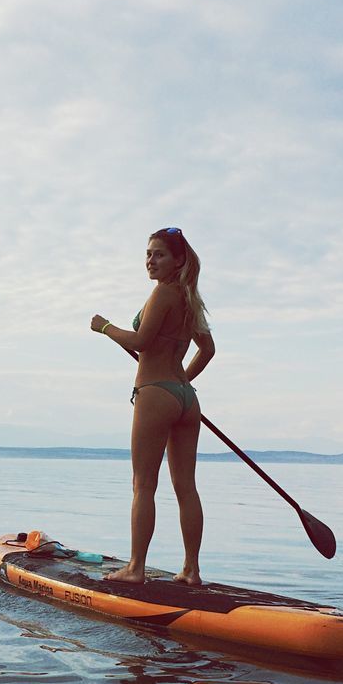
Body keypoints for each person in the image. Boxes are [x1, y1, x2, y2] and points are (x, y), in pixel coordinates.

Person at [90, 227, 215, 585]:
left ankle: (135, 569)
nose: (151, 260)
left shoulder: (162, 293)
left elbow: (143, 341)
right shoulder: (191, 299)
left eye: (159, 254)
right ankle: (191, 570)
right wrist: (183, 383)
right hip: (186, 400)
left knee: (143, 484)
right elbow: (207, 350)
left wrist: (106, 327)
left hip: (155, 393)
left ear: (178, 260)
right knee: (186, 486)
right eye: (148, 254)